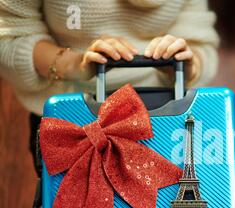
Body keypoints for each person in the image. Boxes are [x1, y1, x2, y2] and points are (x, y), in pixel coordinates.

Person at [0, 0, 219, 172]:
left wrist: (185, 66)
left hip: (165, 110)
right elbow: (8, 37)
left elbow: (202, 46)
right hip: (71, 109)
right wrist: (73, 63)